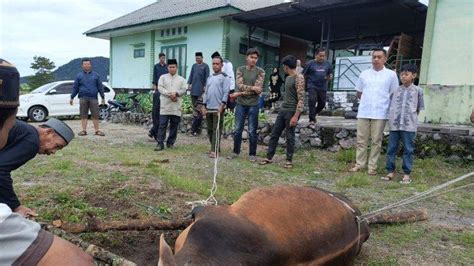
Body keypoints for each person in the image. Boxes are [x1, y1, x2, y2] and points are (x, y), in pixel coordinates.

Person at [0, 58, 93, 265]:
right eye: (57, 146)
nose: (53, 152)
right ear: (48, 132)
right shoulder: (32, 140)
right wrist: (15, 207)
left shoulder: (24, 132)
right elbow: (0, 171)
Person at [349, 48, 399, 176]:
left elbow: (394, 93)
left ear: (385, 59)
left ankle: (372, 166)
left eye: (379, 57)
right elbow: (359, 92)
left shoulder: (391, 75)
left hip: (381, 112)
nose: (376, 59)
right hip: (364, 111)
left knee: (376, 140)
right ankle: (359, 164)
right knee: (361, 140)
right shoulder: (364, 74)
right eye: (374, 57)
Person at [382, 64, 424, 184]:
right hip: (395, 124)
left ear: (414, 75)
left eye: (406, 74)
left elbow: (418, 108)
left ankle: (406, 173)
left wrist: (411, 119)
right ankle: (390, 171)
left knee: (408, 149)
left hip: (409, 125)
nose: (403, 77)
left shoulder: (418, 91)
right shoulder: (395, 90)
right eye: (401, 74)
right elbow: (390, 105)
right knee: (391, 148)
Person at [259, 55, 305, 169]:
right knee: (275, 134)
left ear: (286, 66)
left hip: (291, 111)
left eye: (283, 66)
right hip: (283, 110)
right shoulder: (288, 78)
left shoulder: (299, 78)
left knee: (290, 136)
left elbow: (301, 99)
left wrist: (296, 116)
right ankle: (269, 157)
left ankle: (289, 160)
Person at [228, 48, 265, 162]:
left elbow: (258, 89)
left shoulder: (261, 71)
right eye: (251, 57)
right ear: (246, 57)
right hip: (241, 104)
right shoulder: (240, 70)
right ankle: (235, 152)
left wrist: (241, 92)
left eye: (256, 58)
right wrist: (253, 88)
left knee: (252, 130)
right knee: (238, 129)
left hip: (253, 104)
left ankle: (252, 154)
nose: (254, 60)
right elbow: (239, 85)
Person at [202, 56, 231, 158]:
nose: (215, 65)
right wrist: (203, 106)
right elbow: (205, 92)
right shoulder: (209, 78)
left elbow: (226, 92)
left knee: (216, 130)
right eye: (213, 63)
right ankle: (214, 148)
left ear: (222, 65)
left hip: (218, 108)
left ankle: (214, 150)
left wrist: (222, 105)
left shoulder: (225, 77)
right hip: (209, 108)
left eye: (217, 64)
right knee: (209, 130)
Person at [155, 59, 187, 151]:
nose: (172, 69)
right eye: (170, 67)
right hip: (165, 105)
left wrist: (176, 94)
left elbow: (184, 89)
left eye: (173, 67)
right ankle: (160, 143)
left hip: (176, 105)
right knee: (162, 125)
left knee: (174, 125)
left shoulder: (182, 79)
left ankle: (170, 143)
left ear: (176, 67)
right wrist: (170, 94)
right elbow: (160, 88)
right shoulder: (163, 77)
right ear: (167, 67)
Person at [70, 58, 105, 136]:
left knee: (95, 114)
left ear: (91, 65)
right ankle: (83, 131)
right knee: (83, 114)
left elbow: (100, 87)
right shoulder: (79, 76)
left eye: (88, 64)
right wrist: (72, 97)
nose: (87, 65)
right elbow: (75, 88)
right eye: (85, 64)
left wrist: (103, 97)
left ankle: (97, 130)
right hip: (83, 98)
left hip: (94, 98)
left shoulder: (96, 75)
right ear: (82, 65)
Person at [303, 48, 333, 128]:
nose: (322, 58)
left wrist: (329, 77)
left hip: (323, 86)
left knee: (322, 104)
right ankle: (311, 120)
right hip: (312, 85)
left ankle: (313, 113)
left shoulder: (328, 64)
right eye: (320, 56)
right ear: (316, 55)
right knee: (312, 100)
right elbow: (304, 75)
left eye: (324, 56)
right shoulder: (310, 64)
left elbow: (330, 74)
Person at [188, 52, 210, 136]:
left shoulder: (205, 66)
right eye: (196, 58)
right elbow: (191, 75)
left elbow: (207, 78)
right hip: (193, 91)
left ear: (202, 58)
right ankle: (195, 130)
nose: (197, 59)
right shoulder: (194, 66)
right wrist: (189, 84)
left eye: (199, 58)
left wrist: (205, 86)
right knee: (195, 111)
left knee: (199, 111)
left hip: (201, 92)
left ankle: (194, 130)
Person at [149, 53, 168, 139]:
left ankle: (152, 131)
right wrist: (154, 85)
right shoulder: (156, 66)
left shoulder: (166, 67)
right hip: (158, 88)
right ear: (159, 58)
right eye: (162, 58)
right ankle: (154, 131)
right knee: (156, 111)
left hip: (165, 88)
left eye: (164, 58)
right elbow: (154, 76)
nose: (163, 59)